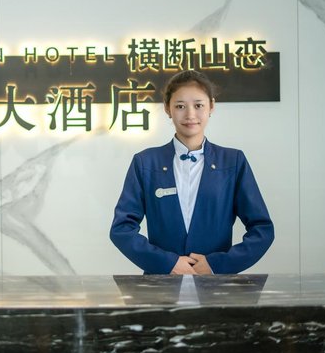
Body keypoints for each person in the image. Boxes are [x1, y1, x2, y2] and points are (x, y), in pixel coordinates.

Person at [109, 70, 274, 275]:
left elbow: (262, 229)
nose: (190, 115)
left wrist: (218, 264)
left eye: (198, 105)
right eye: (180, 106)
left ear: (211, 106)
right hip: (161, 285)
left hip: (216, 286)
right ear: (167, 108)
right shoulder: (145, 162)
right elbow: (122, 229)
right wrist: (166, 263)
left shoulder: (232, 161)